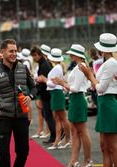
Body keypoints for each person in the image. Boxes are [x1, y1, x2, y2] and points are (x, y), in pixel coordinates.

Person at [0, 39, 36, 167]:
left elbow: (34, 87)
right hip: (3, 117)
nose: (14, 54)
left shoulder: (24, 68)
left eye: (15, 51)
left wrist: (30, 96)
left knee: (23, 152)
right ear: (2, 52)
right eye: (11, 51)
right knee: (3, 154)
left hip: (22, 117)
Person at [79, 33, 117, 167]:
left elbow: (100, 88)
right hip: (104, 104)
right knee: (104, 147)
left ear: (102, 49)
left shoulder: (111, 63)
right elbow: (96, 85)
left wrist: (89, 75)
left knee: (112, 147)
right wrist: (90, 76)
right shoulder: (107, 62)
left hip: (107, 103)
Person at [52, 44, 92, 167]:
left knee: (82, 131)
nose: (69, 55)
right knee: (75, 131)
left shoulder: (81, 66)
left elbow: (75, 88)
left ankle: (87, 160)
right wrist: (63, 83)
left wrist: (61, 83)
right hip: (75, 100)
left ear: (76, 55)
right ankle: (74, 160)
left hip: (78, 98)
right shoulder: (78, 66)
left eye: (71, 53)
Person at [37, 48, 71, 150]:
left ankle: (65, 140)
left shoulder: (57, 68)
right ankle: (59, 140)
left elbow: (53, 83)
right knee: (58, 118)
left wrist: (44, 80)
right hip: (55, 93)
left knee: (61, 118)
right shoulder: (57, 67)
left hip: (56, 93)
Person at [31, 46, 56, 144]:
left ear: (39, 55)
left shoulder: (44, 64)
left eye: (34, 56)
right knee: (47, 115)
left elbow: (45, 80)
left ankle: (54, 136)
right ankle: (54, 135)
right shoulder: (43, 63)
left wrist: (36, 92)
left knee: (48, 115)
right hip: (45, 93)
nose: (33, 58)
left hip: (47, 94)